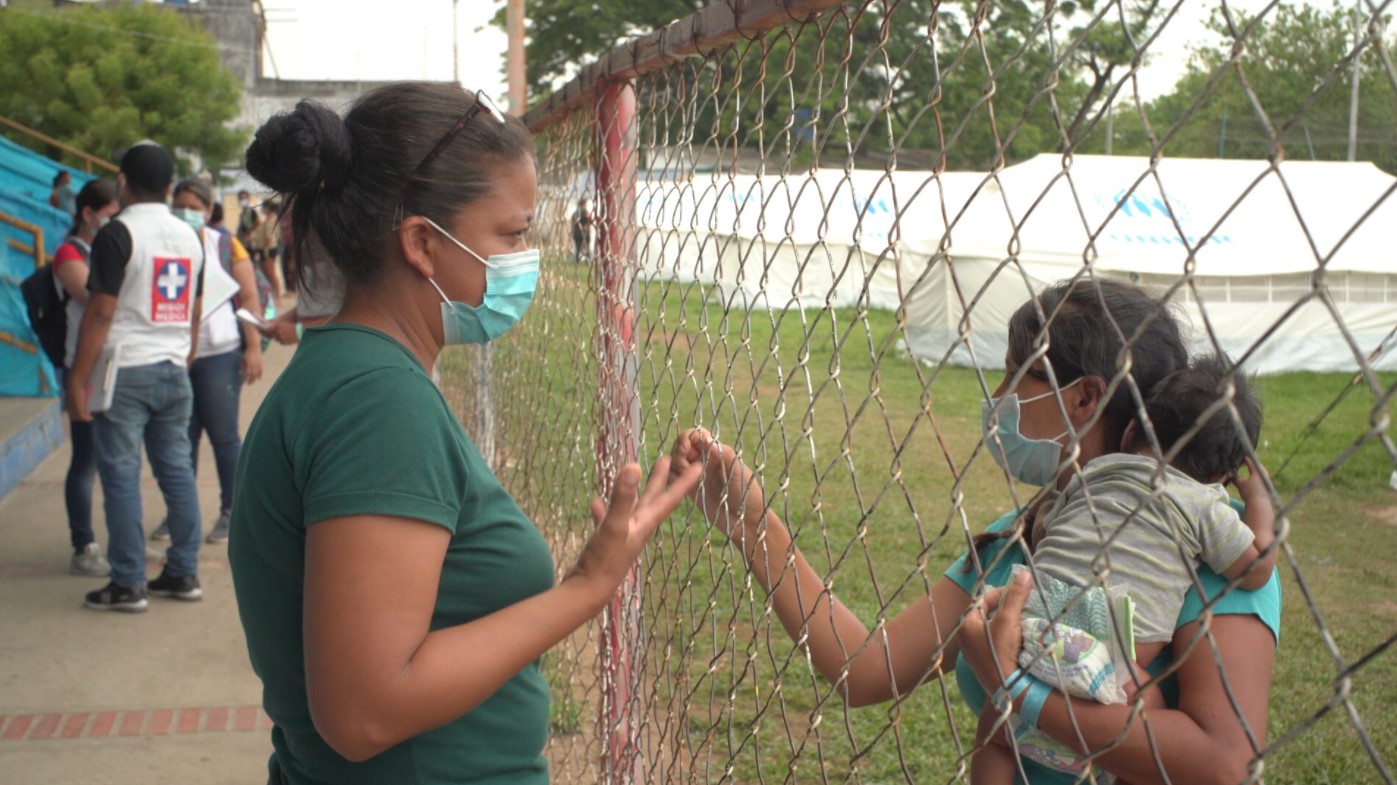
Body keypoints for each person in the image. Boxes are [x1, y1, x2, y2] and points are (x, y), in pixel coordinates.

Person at [229, 82, 704, 784]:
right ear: (422, 242)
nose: (526, 256)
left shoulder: (352, 371)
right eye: (512, 234)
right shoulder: (376, 403)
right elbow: (364, 712)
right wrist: (586, 585)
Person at [671, 278, 1281, 785]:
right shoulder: (1020, 539)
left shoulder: (1210, 549)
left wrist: (1017, 690)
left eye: (1019, 375)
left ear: (1085, 397)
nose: (1000, 398)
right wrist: (751, 523)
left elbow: (1223, 763)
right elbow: (864, 668)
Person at [971, 352, 1277, 784]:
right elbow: (1256, 569)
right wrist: (1261, 502)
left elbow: (1045, 530)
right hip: (1111, 650)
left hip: (1034, 623)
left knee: (994, 735)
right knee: (1144, 730)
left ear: (1132, 430)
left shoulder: (1095, 472)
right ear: (1224, 475)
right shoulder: (1205, 504)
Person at [66, 142, 206, 612]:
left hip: (125, 371)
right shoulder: (191, 237)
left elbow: (101, 313)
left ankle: (128, 583)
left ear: (122, 181)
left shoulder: (116, 233)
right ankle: (183, 572)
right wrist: (183, 356)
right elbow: (193, 308)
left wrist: (77, 379)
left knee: (121, 476)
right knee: (177, 472)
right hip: (172, 368)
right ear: (169, 187)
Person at [145, 178, 263, 546]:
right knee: (180, 439)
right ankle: (180, 513)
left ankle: (232, 511)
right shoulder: (160, 244)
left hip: (218, 354)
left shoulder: (227, 245)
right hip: (175, 355)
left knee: (224, 435)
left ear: (209, 211)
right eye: (180, 204)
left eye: (195, 207)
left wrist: (253, 346)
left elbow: (249, 298)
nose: (187, 213)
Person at [49, 178, 121, 577]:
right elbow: (94, 299)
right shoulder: (69, 253)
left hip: (113, 364)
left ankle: (120, 542)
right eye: (110, 215)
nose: (116, 223)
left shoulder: (108, 248)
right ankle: (83, 545)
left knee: (116, 460)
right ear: (89, 215)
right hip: (83, 367)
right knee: (86, 460)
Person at [570, 196, 593, 263]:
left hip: (578, 233)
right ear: (582, 204)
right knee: (583, 247)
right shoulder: (583, 212)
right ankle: (587, 260)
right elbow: (589, 220)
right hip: (582, 233)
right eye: (585, 204)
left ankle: (582, 260)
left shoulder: (576, 213)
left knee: (580, 248)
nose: (586, 205)